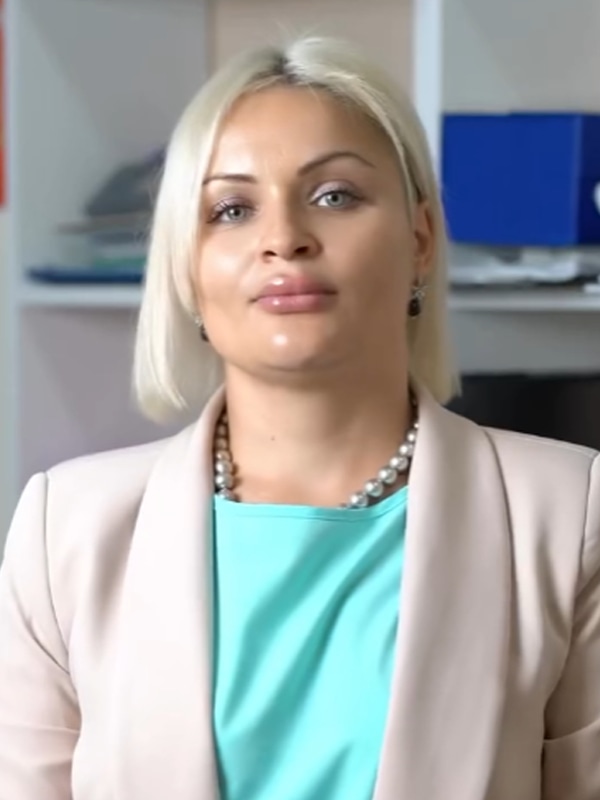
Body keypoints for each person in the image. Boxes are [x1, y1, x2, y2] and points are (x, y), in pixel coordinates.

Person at [0, 35, 598, 800]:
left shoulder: (569, 513)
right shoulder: (64, 530)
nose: (283, 239)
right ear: (186, 269)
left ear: (420, 240)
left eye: (334, 195)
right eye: (231, 209)